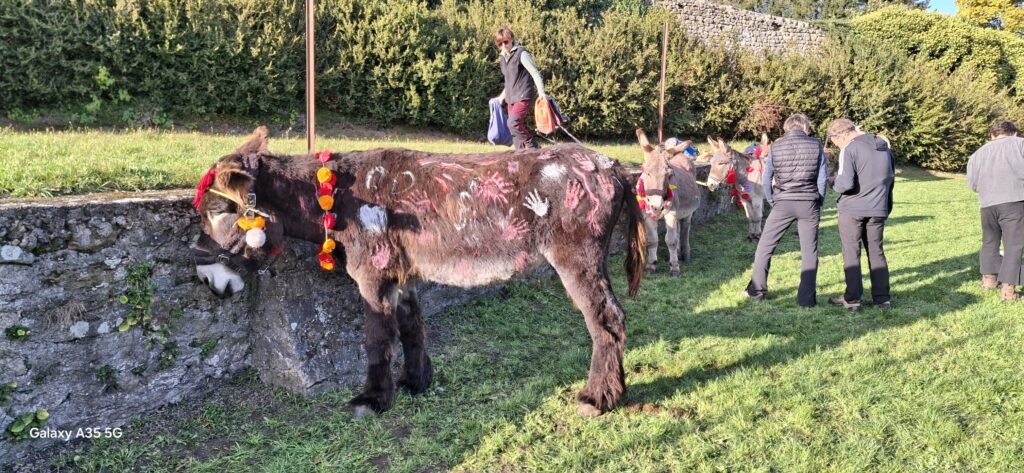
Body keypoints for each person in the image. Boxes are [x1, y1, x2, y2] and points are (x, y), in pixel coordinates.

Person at [742, 114, 829, 307]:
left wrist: (773, 201)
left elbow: (767, 178)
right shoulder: (816, 145)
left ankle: (757, 290)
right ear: (805, 128)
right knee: (809, 251)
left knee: (765, 247)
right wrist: (818, 201)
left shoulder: (776, 147)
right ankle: (806, 300)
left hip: (783, 202)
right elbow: (822, 178)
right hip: (809, 202)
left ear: (786, 128)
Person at [825, 118, 895, 312]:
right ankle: (882, 298)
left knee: (851, 252)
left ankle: (853, 299)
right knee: (876, 251)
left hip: (853, 209)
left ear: (842, 134)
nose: (837, 146)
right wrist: (885, 206)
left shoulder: (850, 149)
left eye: (835, 141)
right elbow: (891, 178)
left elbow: (845, 184)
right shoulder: (884, 148)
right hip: (878, 207)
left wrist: (832, 182)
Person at [966, 120, 1024, 302]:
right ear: (1014, 133)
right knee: (1013, 245)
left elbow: (973, 184)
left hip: (987, 203)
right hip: (1014, 200)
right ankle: (1008, 290)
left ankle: (989, 280)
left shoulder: (978, 153)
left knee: (990, 242)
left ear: (993, 135)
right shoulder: (1020, 144)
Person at [493, 26, 545, 150]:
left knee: (513, 123)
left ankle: (534, 147)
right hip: (511, 98)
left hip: (523, 95)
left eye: (506, 42)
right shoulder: (502, 58)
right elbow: (508, 81)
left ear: (512, 40)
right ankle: (520, 155)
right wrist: (501, 97)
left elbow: (535, 74)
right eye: (500, 44)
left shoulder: (522, 54)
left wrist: (542, 93)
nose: (504, 46)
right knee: (514, 132)